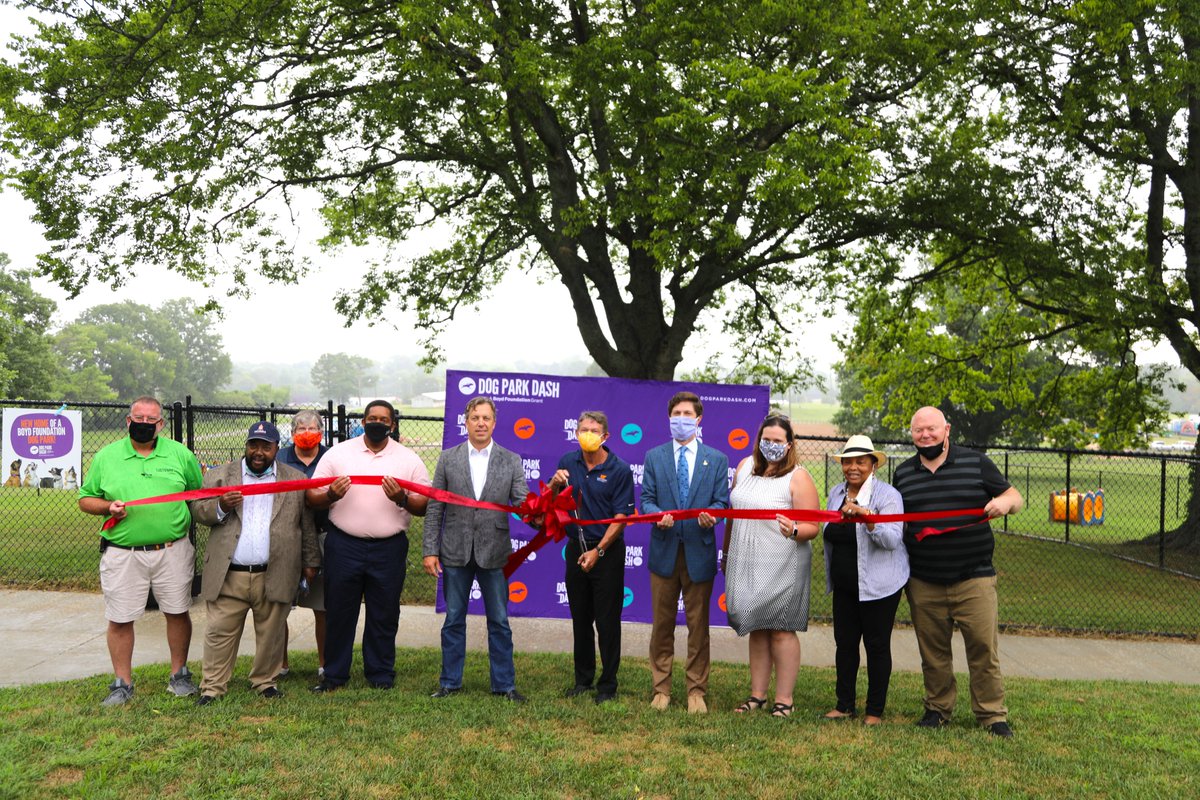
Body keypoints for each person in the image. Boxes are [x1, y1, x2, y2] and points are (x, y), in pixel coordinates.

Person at [892, 406, 1024, 737]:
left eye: (931, 429)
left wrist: (1004, 504)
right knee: (932, 651)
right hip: (923, 579)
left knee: (983, 648)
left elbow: (1014, 496)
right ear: (912, 434)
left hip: (974, 577)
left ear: (946, 429)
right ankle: (937, 709)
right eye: (918, 430)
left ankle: (992, 714)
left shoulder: (976, 462)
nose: (925, 435)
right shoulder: (903, 473)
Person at [78, 396, 204, 706]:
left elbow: (199, 493)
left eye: (151, 420)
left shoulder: (180, 454)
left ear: (161, 424)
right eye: (139, 418)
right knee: (120, 618)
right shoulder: (107, 457)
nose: (144, 424)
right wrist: (107, 507)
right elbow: (85, 499)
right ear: (128, 420)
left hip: (172, 549)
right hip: (123, 552)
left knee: (177, 612)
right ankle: (122, 683)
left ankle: (179, 676)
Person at [305, 400, 431, 692]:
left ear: (393, 425)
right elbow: (311, 497)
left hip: (388, 548)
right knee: (339, 611)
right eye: (372, 418)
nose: (377, 423)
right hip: (344, 545)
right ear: (363, 421)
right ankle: (335, 674)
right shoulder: (339, 454)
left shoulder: (409, 459)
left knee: (384, 612)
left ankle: (380, 672)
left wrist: (402, 498)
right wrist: (331, 496)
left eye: (383, 419)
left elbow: (423, 505)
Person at [191, 421, 320, 704]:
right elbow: (198, 511)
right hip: (230, 573)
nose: (258, 452)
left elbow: (305, 524)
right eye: (253, 445)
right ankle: (212, 687)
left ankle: (265, 681)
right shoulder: (219, 476)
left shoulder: (294, 478)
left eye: (266, 446)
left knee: (271, 632)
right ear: (246, 446)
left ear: (276, 448)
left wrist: (310, 561)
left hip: (275, 569)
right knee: (218, 633)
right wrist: (221, 506)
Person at [422, 397, 533, 703]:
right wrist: (430, 550)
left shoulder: (511, 460)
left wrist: (541, 511)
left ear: (494, 423)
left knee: (499, 621)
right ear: (466, 422)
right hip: (454, 551)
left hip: (494, 552)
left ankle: (504, 685)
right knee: (454, 619)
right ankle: (449, 682)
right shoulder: (448, 458)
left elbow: (523, 503)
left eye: (486, 418)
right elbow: (435, 508)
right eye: (475, 418)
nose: (481, 423)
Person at [722, 413, 820, 718]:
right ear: (759, 440)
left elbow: (812, 527)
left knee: (780, 629)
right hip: (745, 560)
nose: (772, 445)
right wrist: (725, 554)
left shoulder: (799, 477)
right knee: (757, 627)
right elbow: (732, 514)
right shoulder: (744, 468)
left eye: (778, 441)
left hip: (783, 561)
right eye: (767, 440)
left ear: (789, 445)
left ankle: (784, 700)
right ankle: (757, 695)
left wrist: (793, 530)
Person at [639, 391, 731, 713]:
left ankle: (696, 691)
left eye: (687, 414)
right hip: (664, 552)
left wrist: (712, 516)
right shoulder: (654, 456)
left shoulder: (716, 460)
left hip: (699, 551)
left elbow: (721, 502)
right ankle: (661, 689)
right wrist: (656, 515)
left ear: (698, 419)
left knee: (698, 627)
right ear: (669, 418)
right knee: (662, 626)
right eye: (676, 413)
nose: (681, 418)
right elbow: (646, 499)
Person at [547, 411, 635, 704]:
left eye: (593, 430)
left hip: (605, 552)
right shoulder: (567, 463)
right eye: (583, 429)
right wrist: (554, 484)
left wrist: (598, 551)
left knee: (608, 622)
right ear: (575, 433)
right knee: (580, 619)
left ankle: (607, 685)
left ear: (605, 436)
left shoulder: (620, 469)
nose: (587, 434)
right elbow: (550, 502)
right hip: (575, 549)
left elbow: (621, 517)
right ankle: (582, 680)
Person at [821, 435, 908, 725]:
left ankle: (875, 711)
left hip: (879, 586)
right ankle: (844, 704)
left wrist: (868, 516)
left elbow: (892, 539)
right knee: (845, 645)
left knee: (876, 646)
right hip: (845, 586)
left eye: (860, 461)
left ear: (873, 464)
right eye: (848, 461)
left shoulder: (888, 496)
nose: (853, 467)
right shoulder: (836, 493)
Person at [276, 409, 330, 679]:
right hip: (286, 534)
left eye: (312, 428)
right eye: (300, 429)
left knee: (323, 606)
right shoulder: (280, 458)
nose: (306, 433)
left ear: (321, 430)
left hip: (323, 534)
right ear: (292, 432)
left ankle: (324, 664)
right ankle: (280, 664)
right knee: (279, 605)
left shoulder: (331, 456)